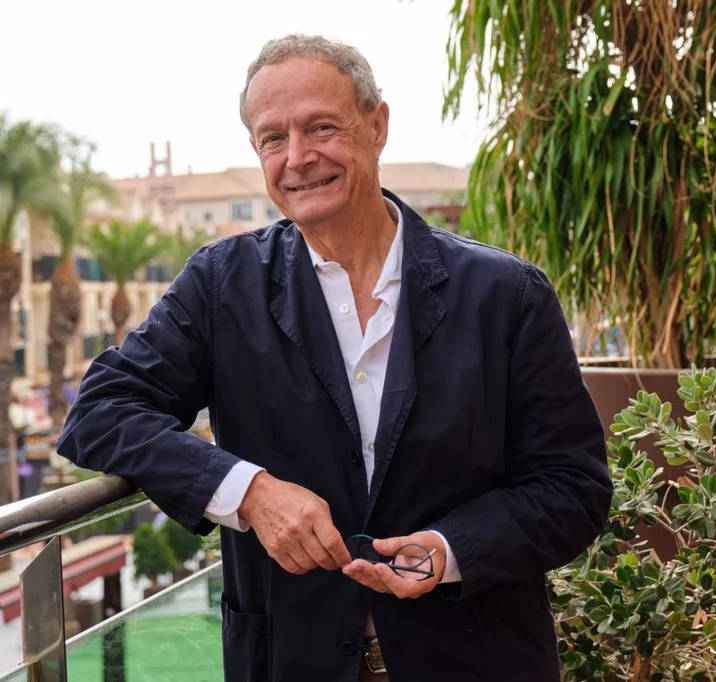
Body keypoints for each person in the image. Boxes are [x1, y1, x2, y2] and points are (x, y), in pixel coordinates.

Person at [56, 34, 612, 682]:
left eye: (321, 127)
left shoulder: (507, 296)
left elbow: (573, 488)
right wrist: (250, 493)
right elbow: (100, 410)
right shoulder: (220, 287)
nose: (298, 158)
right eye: (273, 138)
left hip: (474, 659)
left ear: (377, 126)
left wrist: (449, 548)